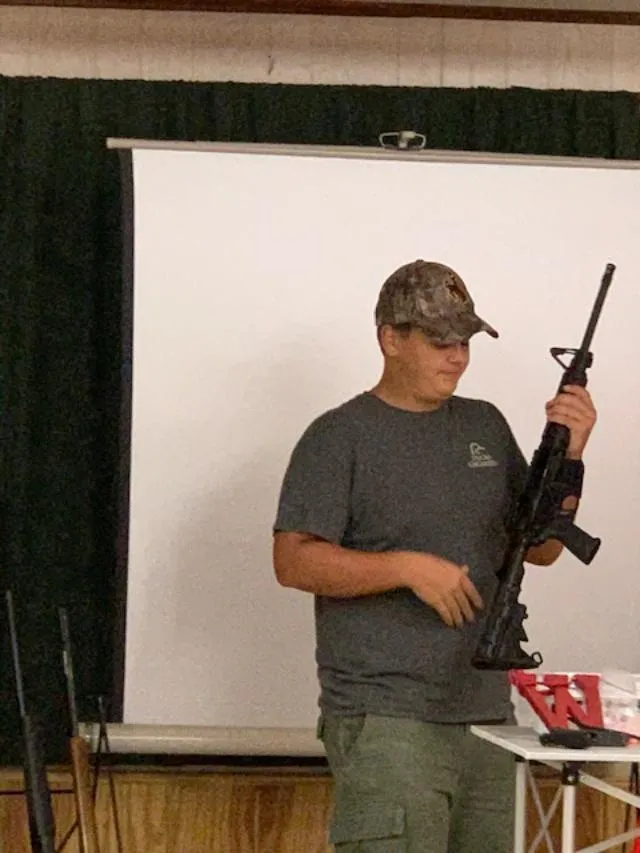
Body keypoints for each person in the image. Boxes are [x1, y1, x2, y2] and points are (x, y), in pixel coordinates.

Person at [272, 259, 597, 853]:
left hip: (488, 717)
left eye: (466, 341)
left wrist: (571, 454)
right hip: (388, 718)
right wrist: (406, 567)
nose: (458, 356)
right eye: (440, 340)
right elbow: (293, 561)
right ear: (390, 339)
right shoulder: (339, 435)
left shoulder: (485, 425)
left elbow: (543, 547)